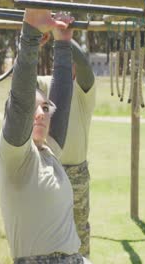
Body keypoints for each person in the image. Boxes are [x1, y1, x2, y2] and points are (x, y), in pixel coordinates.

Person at [0, 8, 91, 264]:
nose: (41, 113)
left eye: (45, 108)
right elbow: (20, 101)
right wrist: (29, 34)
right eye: (34, 108)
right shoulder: (17, 155)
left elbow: (61, 94)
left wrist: (63, 43)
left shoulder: (49, 151)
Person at [37, 37, 95, 258]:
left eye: (71, 60)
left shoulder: (83, 90)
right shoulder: (46, 83)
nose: (69, 64)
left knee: (79, 234)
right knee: (47, 234)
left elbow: (86, 68)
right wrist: (34, 41)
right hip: (49, 169)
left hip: (76, 174)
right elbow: (22, 83)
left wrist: (60, 36)